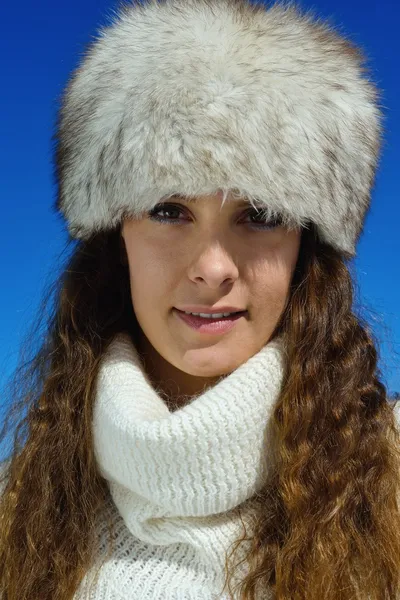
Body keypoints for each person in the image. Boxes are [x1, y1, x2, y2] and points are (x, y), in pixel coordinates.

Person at [1, 0, 399, 598]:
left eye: (259, 215)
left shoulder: (388, 477)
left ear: (304, 249)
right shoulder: (17, 512)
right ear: (117, 238)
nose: (213, 268)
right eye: (169, 210)